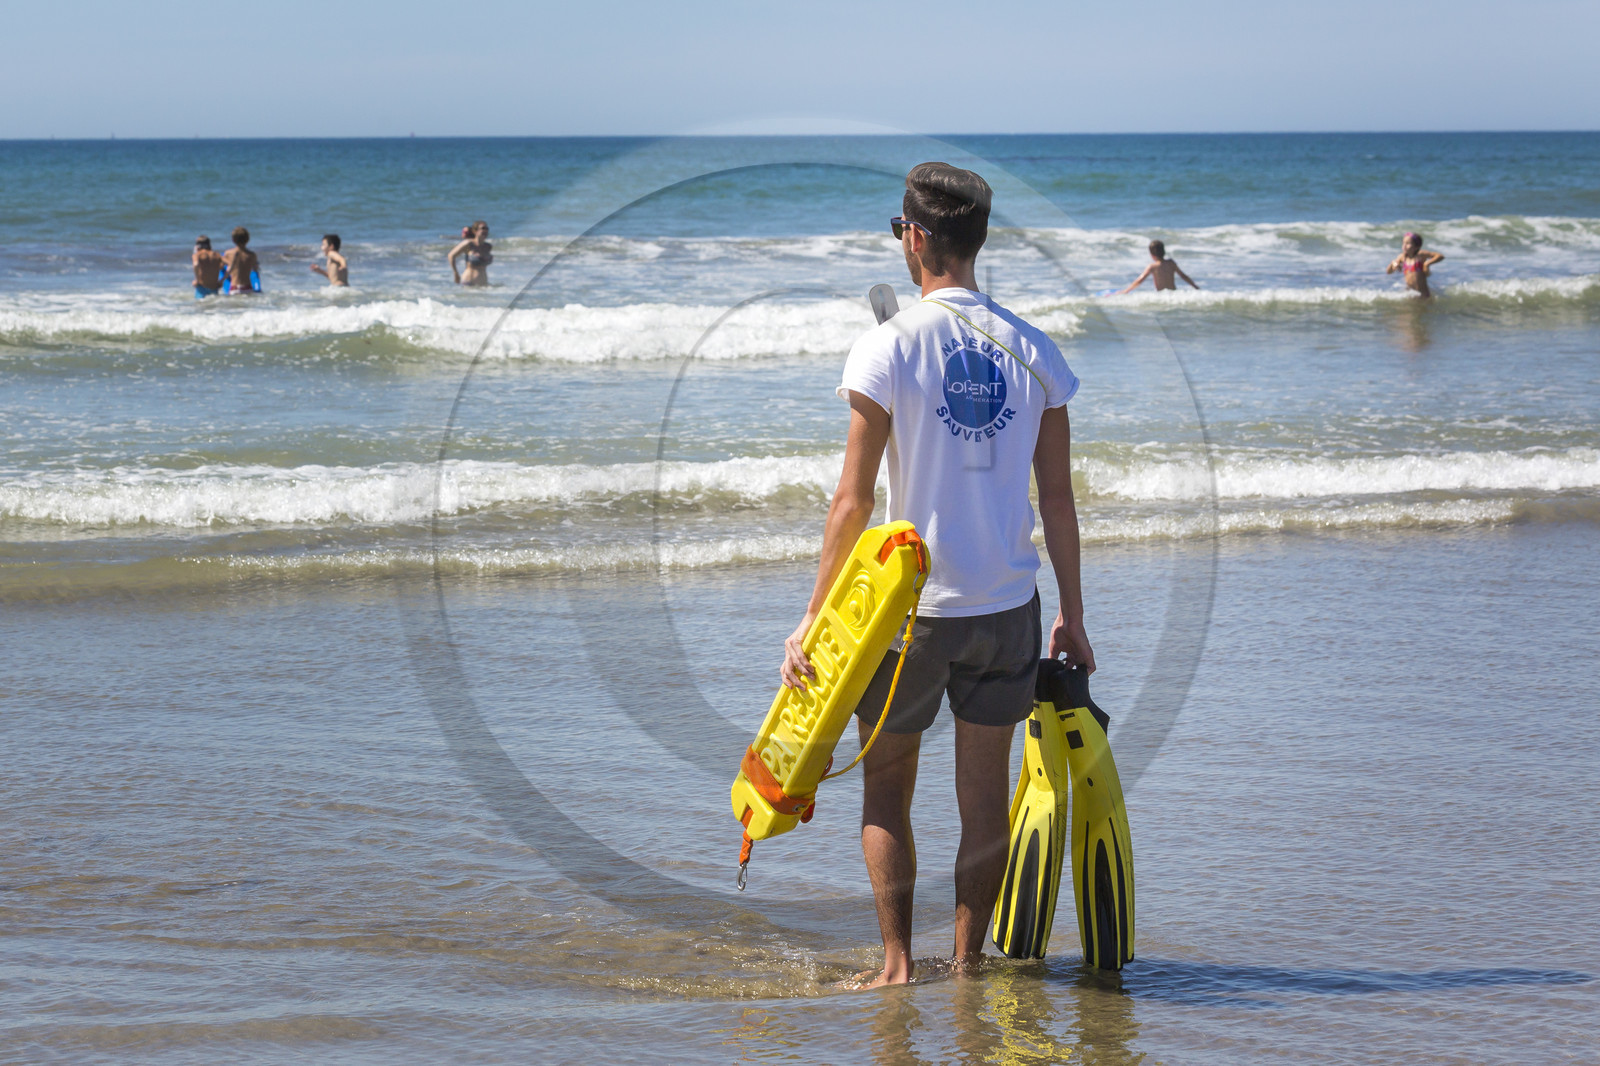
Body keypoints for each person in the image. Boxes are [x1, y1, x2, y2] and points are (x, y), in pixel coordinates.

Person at [779, 162, 1094, 987]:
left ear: (915, 238)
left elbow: (851, 503)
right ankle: (965, 962)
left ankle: (893, 966)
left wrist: (813, 617)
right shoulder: (1036, 351)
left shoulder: (887, 345)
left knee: (887, 791)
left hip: (907, 615)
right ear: (977, 241)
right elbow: (1056, 501)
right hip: (1008, 608)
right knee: (984, 802)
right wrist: (1074, 614)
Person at [1119, 239, 1198, 294]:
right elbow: (1183, 276)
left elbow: (1139, 281)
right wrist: (1195, 286)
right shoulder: (1171, 263)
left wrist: (1126, 291)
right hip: (1174, 294)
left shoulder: (1153, 266)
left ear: (1152, 255)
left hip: (1162, 295)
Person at [1386, 232, 1445, 298]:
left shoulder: (1421, 255)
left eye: (1408, 243)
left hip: (1423, 294)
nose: (1404, 246)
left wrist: (1427, 263)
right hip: (1410, 294)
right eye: (1403, 243)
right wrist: (1393, 263)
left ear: (1417, 246)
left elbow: (1440, 256)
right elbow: (1388, 272)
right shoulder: (1402, 257)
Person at [449, 220, 493, 285]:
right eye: (483, 228)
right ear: (475, 231)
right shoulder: (469, 244)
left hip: (483, 285)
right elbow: (451, 255)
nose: (485, 231)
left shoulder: (488, 246)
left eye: (487, 229)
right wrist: (456, 273)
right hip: (469, 283)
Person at [222, 226, 260, 295]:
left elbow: (222, 268)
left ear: (233, 240)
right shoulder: (252, 255)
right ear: (248, 239)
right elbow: (255, 269)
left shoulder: (228, 253)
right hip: (247, 287)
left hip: (234, 288)